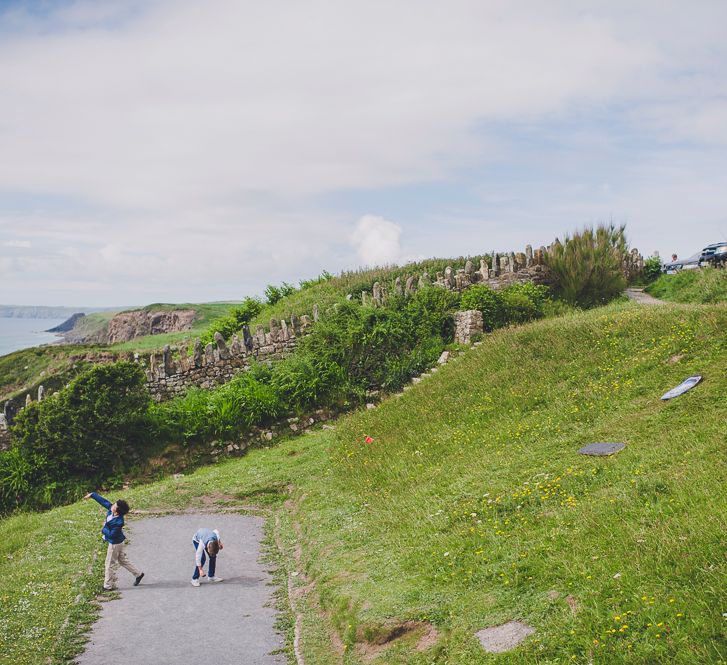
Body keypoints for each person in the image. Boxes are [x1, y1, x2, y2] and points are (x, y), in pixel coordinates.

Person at [85, 492, 144, 591]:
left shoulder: (119, 522)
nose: (112, 505)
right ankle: (138, 574)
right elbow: (104, 502)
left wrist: (103, 529)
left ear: (117, 511)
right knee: (122, 560)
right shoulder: (111, 510)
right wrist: (92, 495)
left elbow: (112, 534)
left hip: (115, 544)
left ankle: (107, 586)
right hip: (119, 542)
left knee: (108, 564)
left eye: (115, 506)